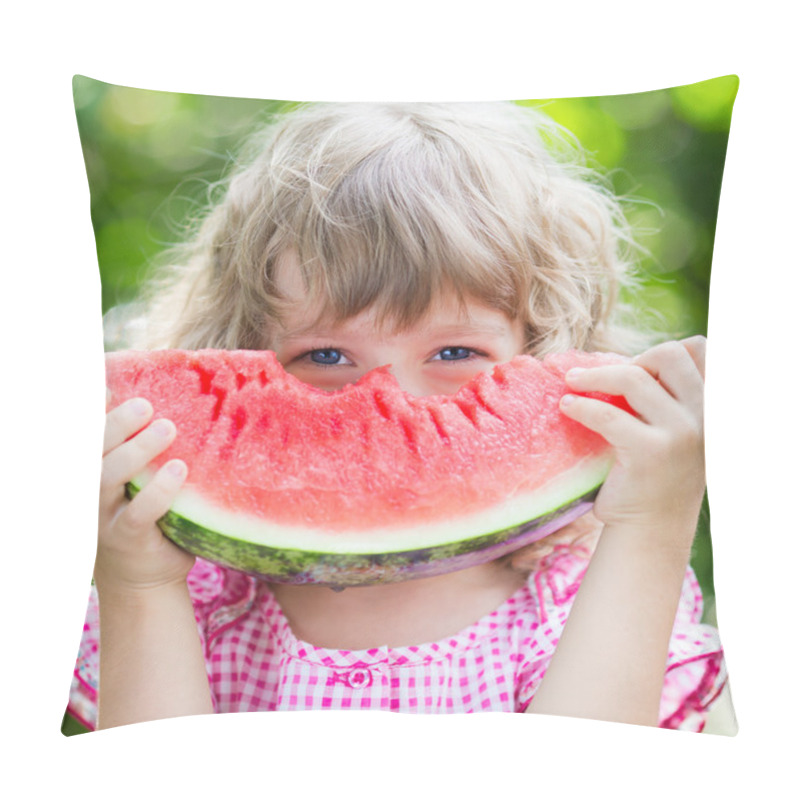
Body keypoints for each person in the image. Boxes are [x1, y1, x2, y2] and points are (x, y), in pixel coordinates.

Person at [67, 101, 727, 732]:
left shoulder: (579, 598)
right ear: (240, 350)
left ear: (542, 351)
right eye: (326, 354)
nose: (393, 399)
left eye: (455, 351)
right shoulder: (204, 598)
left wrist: (651, 528)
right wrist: (140, 582)